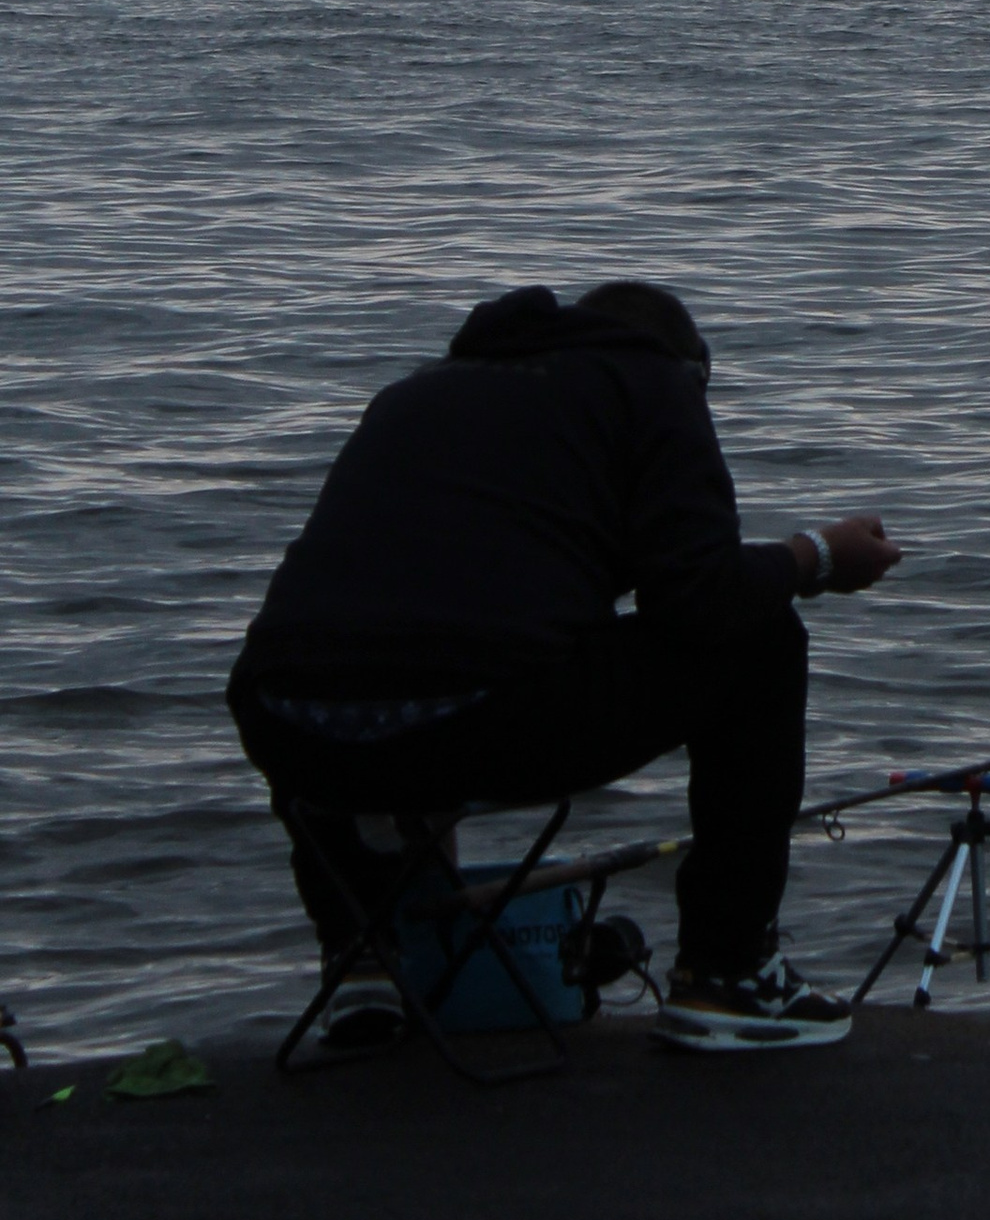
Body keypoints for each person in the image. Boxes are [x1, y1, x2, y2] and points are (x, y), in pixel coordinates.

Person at [227, 279, 900, 1052]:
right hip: (477, 723)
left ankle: (364, 961)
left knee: (358, 667)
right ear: (693, 367)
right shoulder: (654, 380)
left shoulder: (415, 394)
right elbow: (701, 601)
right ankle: (729, 972)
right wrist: (815, 557)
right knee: (760, 641)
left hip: (287, 728)